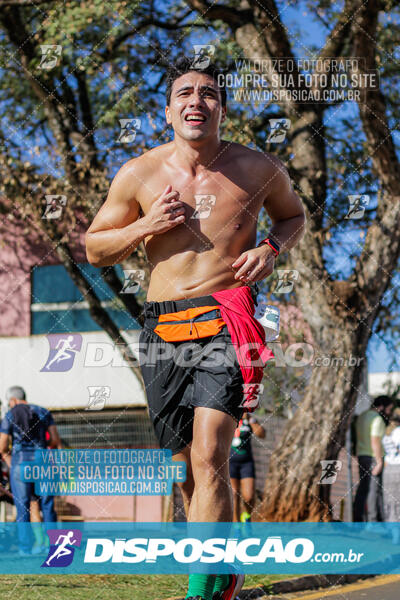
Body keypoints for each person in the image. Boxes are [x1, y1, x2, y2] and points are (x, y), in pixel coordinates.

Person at [86, 56, 306, 600]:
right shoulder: (139, 173)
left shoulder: (258, 169)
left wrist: (270, 250)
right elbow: (95, 248)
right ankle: (223, 566)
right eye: (185, 92)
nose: (196, 101)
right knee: (181, 468)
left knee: (211, 455)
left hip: (226, 315)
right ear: (168, 111)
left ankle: (202, 589)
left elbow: (293, 217)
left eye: (208, 93)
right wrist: (146, 224)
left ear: (221, 110)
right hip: (162, 325)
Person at [0, 386, 61, 555]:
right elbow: (55, 440)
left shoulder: (10, 414)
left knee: (23, 506)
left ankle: (25, 548)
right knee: (48, 505)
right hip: (42, 463)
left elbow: (2, 446)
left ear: (12, 400)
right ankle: (53, 546)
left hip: (20, 464)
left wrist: (11, 462)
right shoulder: (43, 412)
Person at [353, 395, 394, 522]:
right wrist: (379, 461)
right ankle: (374, 521)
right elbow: (375, 440)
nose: (389, 412)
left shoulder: (362, 416)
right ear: (381, 407)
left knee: (363, 488)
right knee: (373, 491)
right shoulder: (377, 419)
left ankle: (358, 518)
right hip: (373, 457)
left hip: (362, 456)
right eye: (389, 409)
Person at [230, 412, 265, 522]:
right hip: (230, 462)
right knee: (234, 494)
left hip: (246, 463)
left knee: (249, 496)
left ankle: (246, 516)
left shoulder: (249, 420)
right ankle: (237, 527)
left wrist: (250, 419)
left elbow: (262, 434)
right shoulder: (229, 417)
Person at [382, 407, 400, 522]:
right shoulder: (398, 432)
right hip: (398, 467)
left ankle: (393, 533)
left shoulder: (387, 432)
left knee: (390, 502)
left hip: (388, 469)